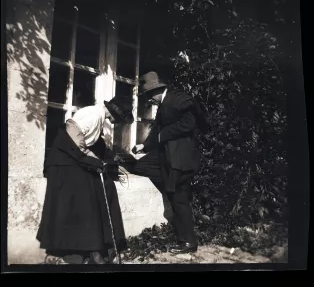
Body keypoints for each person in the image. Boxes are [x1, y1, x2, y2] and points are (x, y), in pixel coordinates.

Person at [37, 96, 134, 264]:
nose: (116, 122)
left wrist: (109, 159)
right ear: (114, 114)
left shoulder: (98, 116)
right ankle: (71, 249)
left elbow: (90, 145)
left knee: (88, 200)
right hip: (62, 163)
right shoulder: (93, 116)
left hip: (70, 159)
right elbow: (75, 144)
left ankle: (92, 248)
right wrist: (98, 163)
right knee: (71, 204)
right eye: (118, 119)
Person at [132, 71, 208, 254]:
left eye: (149, 96)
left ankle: (189, 242)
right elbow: (158, 129)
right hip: (168, 157)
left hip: (181, 159)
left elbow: (188, 124)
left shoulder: (178, 100)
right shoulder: (165, 103)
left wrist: (162, 136)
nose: (149, 101)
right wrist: (144, 146)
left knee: (179, 200)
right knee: (142, 166)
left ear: (156, 92)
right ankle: (185, 239)